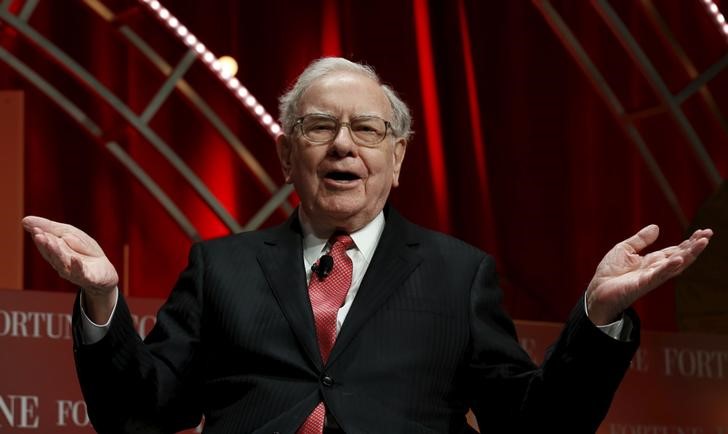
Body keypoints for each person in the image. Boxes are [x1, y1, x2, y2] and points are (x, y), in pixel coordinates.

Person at [22, 57, 712, 434]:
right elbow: (142, 414)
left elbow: (533, 429)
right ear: (287, 154)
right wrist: (102, 300)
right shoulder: (220, 267)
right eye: (320, 127)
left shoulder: (458, 275)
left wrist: (596, 319)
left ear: (399, 156)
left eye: (368, 130)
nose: (344, 145)